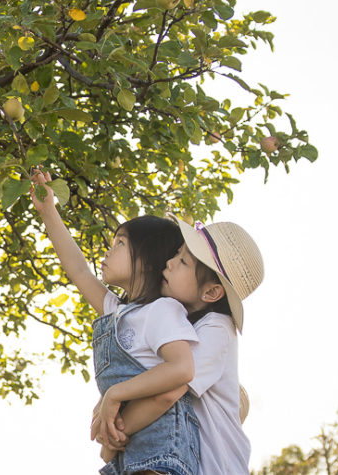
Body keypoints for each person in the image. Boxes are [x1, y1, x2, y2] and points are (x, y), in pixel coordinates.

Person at [30, 169, 201, 475]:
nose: (108, 250)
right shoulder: (118, 311)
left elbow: (182, 369)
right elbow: (79, 270)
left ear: (147, 260)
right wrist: (48, 211)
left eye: (120, 243)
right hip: (129, 457)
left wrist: (115, 395)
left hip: (163, 455)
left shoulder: (162, 311)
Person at [93, 217, 264, 475]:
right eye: (176, 254)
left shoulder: (217, 329)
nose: (170, 263)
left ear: (211, 293)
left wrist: (112, 435)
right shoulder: (178, 323)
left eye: (183, 261)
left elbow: (168, 392)